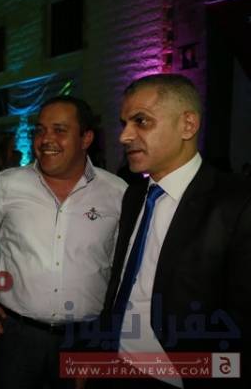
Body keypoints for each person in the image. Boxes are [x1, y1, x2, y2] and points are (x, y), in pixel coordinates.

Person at [0, 95, 127, 389]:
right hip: (17, 335)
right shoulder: (10, 184)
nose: (46, 139)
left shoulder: (116, 192)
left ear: (86, 138)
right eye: (40, 130)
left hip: (86, 338)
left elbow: (123, 264)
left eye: (59, 130)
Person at [97, 74, 251, 388]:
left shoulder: (237, 203)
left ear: (188, 125)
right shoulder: (134, 195)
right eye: (124, 123)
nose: (125, 136)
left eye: (141, 121)